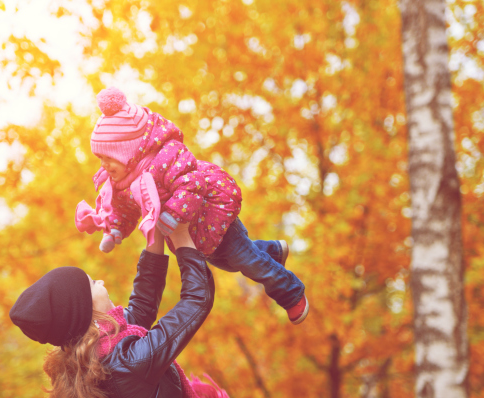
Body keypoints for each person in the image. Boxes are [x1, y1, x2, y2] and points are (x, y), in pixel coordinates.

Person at [9, 225, 246, 398]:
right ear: (88, 310)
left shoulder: (97, 357)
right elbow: (196, 301)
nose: (101, 282)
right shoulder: (129, 363)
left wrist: (155, 237)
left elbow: (143, 308)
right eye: (92, 283)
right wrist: (183, 240)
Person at [75, 87, 309, 325]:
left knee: (247, 262)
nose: (104, 165)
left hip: (212, 214)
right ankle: (272, 251)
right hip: (193, 235)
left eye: (109, 158)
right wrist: (115, 228)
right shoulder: (123, 181)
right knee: (230, 263)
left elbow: (192, 185)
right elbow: (125, 209)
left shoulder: (167, 157)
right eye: (100, 159)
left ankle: (291, 292)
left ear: (128, 151)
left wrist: (174, 214)